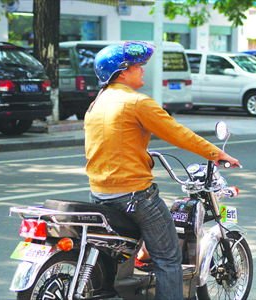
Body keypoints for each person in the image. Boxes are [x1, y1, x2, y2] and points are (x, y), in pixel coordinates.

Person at [84, 41, 240, 300]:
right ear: (122, 72)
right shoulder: (136, 102)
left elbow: (106, 145)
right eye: (138, 66)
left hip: (99, 195)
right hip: (134, 197)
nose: (143, 70)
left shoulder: (96, 104)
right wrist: (218, 153)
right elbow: (179, 134)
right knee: (169, 257)